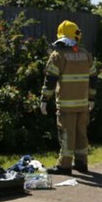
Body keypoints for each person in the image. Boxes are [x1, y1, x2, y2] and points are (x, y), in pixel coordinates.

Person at [39, 20, 96, 175]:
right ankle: (81, 163)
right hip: (83, 104)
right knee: (81, 133)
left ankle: (64, 166)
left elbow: (50, 80)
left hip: (66, 105)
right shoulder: (86, 55)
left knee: (67, 134)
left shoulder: (58, 55)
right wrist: (91, 98)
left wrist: (44, 100)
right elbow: (94, 78)